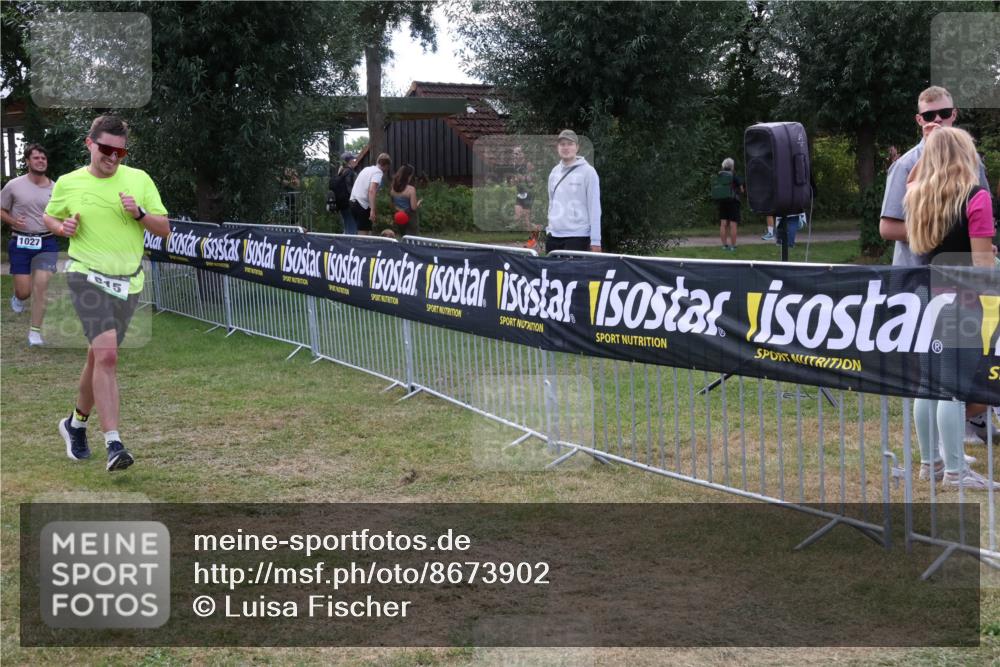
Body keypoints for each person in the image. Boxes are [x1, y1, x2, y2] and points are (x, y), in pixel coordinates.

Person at [42, 115, 169, 471]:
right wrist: (61, 226)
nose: (113, 158)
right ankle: (114, 444)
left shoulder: (139, 180)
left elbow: (164, 229)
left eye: (120, 151)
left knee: (98, 358)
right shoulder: (69, 183)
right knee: (108, 355)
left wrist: (140, 213)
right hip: (86, 275)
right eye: (106, 150)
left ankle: (75, 423)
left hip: (129, 280)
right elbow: (50, 217)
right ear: (90, 144)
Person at [879, 85, 994, 447]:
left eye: (944, 114)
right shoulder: (907, 166)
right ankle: (949, 459)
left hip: (953, 280)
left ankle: (942, 455)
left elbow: (982, 224)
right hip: (927, 281)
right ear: (919, 120)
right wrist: (940, 234)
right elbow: (887, 226)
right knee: (942, 379)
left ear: (954, 115)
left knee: (942, 379)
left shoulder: (973, 166)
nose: (938, 121)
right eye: (930, 116)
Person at [903, 127, 997, 490]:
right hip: (962, 298)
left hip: (924, 295)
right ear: (966, 154)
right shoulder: (977, 197)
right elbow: (983, 265)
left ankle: (932, 464)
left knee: (928, 384)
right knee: (954, 387)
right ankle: (957, 472)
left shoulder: (916, 195)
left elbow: (912, 178)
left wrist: (929, 144)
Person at [1, 143, 56, 346]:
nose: (41, 161)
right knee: (24, 291)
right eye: (36, 158)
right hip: (21, 241)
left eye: (43, 158)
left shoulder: (55, 187)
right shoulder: (14, 185)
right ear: (27, 161)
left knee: (41, 286)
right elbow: (1, 209)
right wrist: (14, 221)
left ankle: (35, 333)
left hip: (47, 241)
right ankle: (18, 298)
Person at [545, 130, 601, 253]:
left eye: (570, 144)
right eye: (562, 144)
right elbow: (552, 203)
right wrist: (549, 228)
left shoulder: (589, 172)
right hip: (553, 236)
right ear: (557, 148)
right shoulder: (554, 172)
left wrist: (596, 240)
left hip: (577, 236)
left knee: (571, 273)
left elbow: (595, 208)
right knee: (552, 272)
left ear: (577, 147)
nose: (566, 147)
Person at [349, 152, 391, 236]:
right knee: (363, 234)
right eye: (388, 167)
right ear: (386, 165)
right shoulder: (378, 172)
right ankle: (360, 249)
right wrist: (372, 209)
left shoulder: (366, 169)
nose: (388, 169)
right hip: (362, 204)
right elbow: (372, 190)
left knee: (356, 232)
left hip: (353, 202)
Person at [713, 157, 744, 251]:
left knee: (723, 224)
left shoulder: (719, 175)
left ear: (723, 166)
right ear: (732, 166)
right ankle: (733, 246)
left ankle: (724, 245)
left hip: (722, 201)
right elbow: (742, 190)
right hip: (733, 202)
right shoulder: (734, 175)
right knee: (733, 224)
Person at [388, 164, 421, 237]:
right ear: (408, 176)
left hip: (398, 216)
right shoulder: (411, 189)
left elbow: (392, 204)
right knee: (412, 237)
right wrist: (418, 203)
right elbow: (413, 208)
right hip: (409, 217)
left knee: (402, 236)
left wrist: (399, 209)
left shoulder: (393, 188)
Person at [330, 152, 358, 234]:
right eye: (353, 159)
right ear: (349, 161)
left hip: (341, 203)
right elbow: (350, 188)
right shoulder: (349, 172)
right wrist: (354, 200)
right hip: (349, 203)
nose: (354, 161)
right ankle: (351, 245)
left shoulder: (340, 172)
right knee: (352, 227)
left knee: (347, 225)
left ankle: (345, 244)